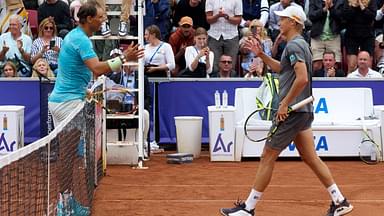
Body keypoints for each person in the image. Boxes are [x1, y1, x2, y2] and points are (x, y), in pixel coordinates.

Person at [220, 6, 353, 216]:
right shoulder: (298, 45)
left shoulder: (295, 46)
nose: (279, 22)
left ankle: (249, 208)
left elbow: (302, 78)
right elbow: (283, 70)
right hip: (302, 110)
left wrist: (284, 105)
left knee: (267, 155)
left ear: (293, 22)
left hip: (293, 111)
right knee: (310, 157)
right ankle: (340, 200)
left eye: (282, 19)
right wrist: (261, 54)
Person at [48, 2, 144, 126]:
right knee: (78, 146)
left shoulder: (75, 35)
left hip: (66, 100)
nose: (103, 20)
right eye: (100, 17)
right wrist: (123, 57)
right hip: (67, 103)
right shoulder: (81, 40)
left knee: (71, 146)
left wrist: (84, 90)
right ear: (89, 19)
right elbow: (97, 69)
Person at [205, 0, 242, 74]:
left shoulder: (237, 0)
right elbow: (208, 19)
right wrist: (218, 15)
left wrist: (227, 17)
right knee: (214, 66)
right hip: (214, 35)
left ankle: (231, 85)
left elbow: (238, 20)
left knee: (231, 66)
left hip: (232, 35)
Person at [308, 0, 344, 71]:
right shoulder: (314, 1)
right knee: (316, 66)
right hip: (317, 37)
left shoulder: (340, 1)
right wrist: (324, 9)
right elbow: (311, 15)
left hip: (334, 37)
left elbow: (342, 17)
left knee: (334, 66)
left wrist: (331, 8)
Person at [342, 0, 376, 73]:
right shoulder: (347, 1)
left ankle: (368, 84)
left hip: (367, 36)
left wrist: (362, 7)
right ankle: (350, 83)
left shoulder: (371, 1)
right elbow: (345, 16)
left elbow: (372, 16)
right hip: (351, 35)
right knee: (352, 65)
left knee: (368, 65)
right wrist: (353, 7)